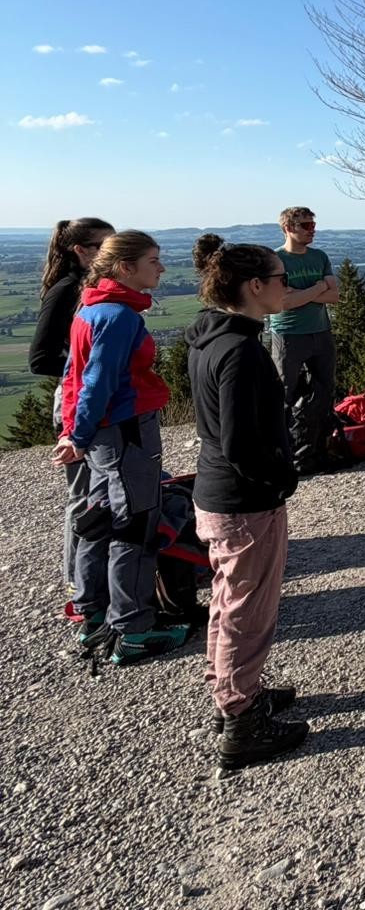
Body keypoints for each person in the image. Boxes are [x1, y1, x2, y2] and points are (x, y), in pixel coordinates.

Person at [185, 234, 309, 770]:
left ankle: (234, 691)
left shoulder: (212, 338)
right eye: (281, 278)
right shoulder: (241, 351)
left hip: (220, 495)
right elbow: (240, 443)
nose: (288, 286)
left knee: (229, 600)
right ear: (254, 286)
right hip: (244, 500)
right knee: (247, 610)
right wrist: (281, 479)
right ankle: (241, 720)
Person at [52, 231, 188, 664]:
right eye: (153, 260)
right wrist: (78, 434)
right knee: (135, 523)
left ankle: (93, 613)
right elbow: (97, 383)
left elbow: (72, 379)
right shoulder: (118, 316)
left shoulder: (91, 308)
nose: (161, 268)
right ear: (126, 267)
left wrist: (74, 433)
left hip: (103, 436)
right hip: (126, 431)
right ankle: (132, 629)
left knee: (100, 520)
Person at [28, 217, 114, 589]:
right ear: (80, 250)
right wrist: (86, 369)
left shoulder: (90, 285)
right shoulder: (66, 289)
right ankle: (78, 583)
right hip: (76, 400)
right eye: (103, 246)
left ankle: (97, 574)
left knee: (102, 492)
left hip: (93, 396)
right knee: (84, 495)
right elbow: (40, 358)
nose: (112, 252)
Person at [265, 207, 339, 475]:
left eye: (313, 225)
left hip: (321, 331)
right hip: (288, 334)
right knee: (285, 394)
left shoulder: (320, 256)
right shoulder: (276, 260)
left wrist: (302, 294)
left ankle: (318, 451)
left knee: (325, 392)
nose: (312, 230)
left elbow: (334, 296)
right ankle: (284, 456)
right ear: (288, 228)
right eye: (306, 225)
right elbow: (283, 302)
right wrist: (319, 287)